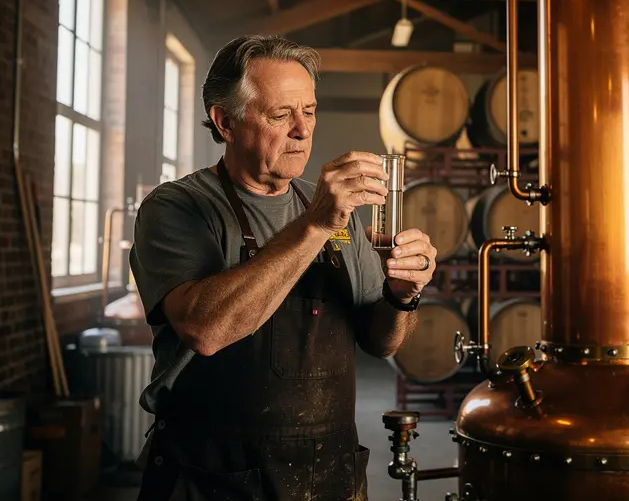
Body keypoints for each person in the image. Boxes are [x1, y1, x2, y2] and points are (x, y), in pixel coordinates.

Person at [129, 35, 436, 500]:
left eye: (309, 111)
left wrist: (401, 295)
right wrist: (315, 223)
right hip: (214, 477)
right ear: (225, 121)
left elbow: (382, 342)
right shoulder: (179, 207)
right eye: (281, 114)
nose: (302, 130)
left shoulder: (341, 216)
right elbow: (205, 329)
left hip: (329, 474)